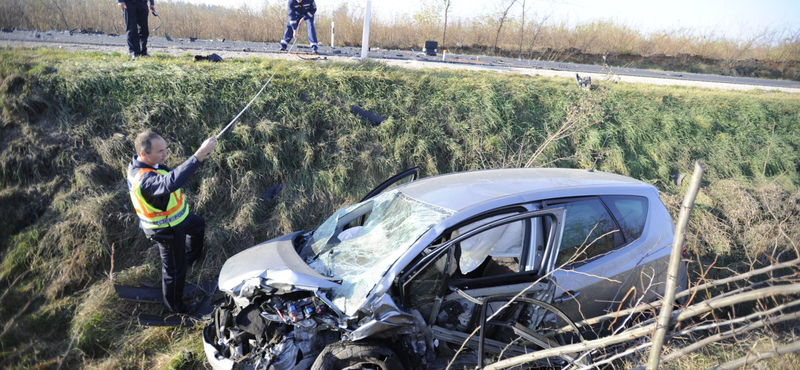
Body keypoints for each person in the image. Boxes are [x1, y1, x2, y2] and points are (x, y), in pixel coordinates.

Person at [127, 131, 216, 313]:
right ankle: (175, 307)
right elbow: (169, 183)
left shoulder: (145, 163)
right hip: (165, 230)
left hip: (179, 220)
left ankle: (190, 258)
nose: (165, 155)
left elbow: (170, 176)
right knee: (174, 271)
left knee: (198, 226)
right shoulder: (145, 179)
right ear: (144, 154)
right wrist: (198, 155)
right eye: (160, 151)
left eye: (165, 149)